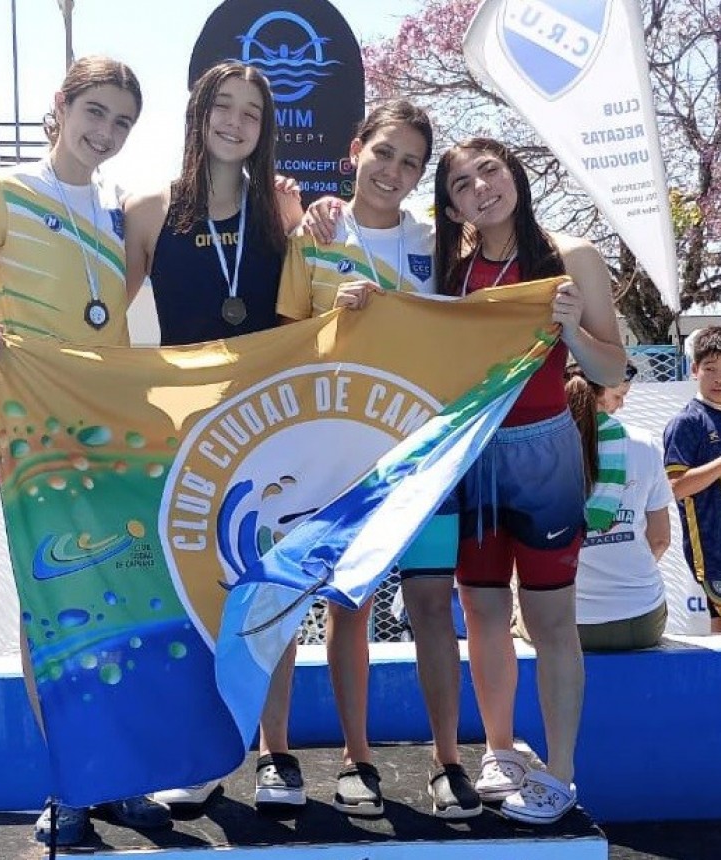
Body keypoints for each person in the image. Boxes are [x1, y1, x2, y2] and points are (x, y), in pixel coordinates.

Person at [0, 56, 172, 847]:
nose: (107, 132)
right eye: (96, 112)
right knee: (52, 608)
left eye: (122, 122)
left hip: (109, 431)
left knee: (119, 606)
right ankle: (70, 785)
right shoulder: (5, 193)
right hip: (32, 428)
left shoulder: (121, 211)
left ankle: (118, 777)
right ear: (61, 105)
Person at [278, 100, 482, 821]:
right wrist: (336, 315)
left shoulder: (440, 240)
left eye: (411, 163)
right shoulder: (315, 234)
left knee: (432, 606)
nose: (394, 171)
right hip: (341, 459)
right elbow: (288, 343)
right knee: (350, 605)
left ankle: (448, 762)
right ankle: (357, 760)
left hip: (426, 455)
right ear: (354, 150)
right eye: (384, 153)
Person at [123, 60, 304, 812]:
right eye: (222, 106)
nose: (236, 121)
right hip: (189, 433)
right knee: (199, 595)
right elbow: (101, 318)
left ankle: (276, 751)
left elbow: (311, 314)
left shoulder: (282, 212)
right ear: (198, 114)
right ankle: (200, 752)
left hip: (272, 431)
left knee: (272, 592)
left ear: (264, 131)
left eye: (251, 112)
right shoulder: (146, 209)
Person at [435, 137, 626, 824]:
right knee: (483, 612)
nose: (480, 187)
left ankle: (563, 771)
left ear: (513, 173)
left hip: (545, 455)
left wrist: (573, 333)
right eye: (461, 183)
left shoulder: (570, 255)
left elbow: (611, 372)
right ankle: (498, 748)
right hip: (474, 459)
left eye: (488, 170)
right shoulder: (453, 268)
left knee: (549, 620)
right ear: (450, 202)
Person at [516, 364, 671, 650]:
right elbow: (660, 539)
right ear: (600, 395)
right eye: (619, 396)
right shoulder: (644, 444)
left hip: (566, 623)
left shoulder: (538, 446)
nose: (621, 405)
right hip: (642, 619)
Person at [663, 324, 721, 633]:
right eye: (710, 368)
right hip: (716, 557)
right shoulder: (688, 422)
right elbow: (677, 488)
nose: (720, 377)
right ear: (695, 369)